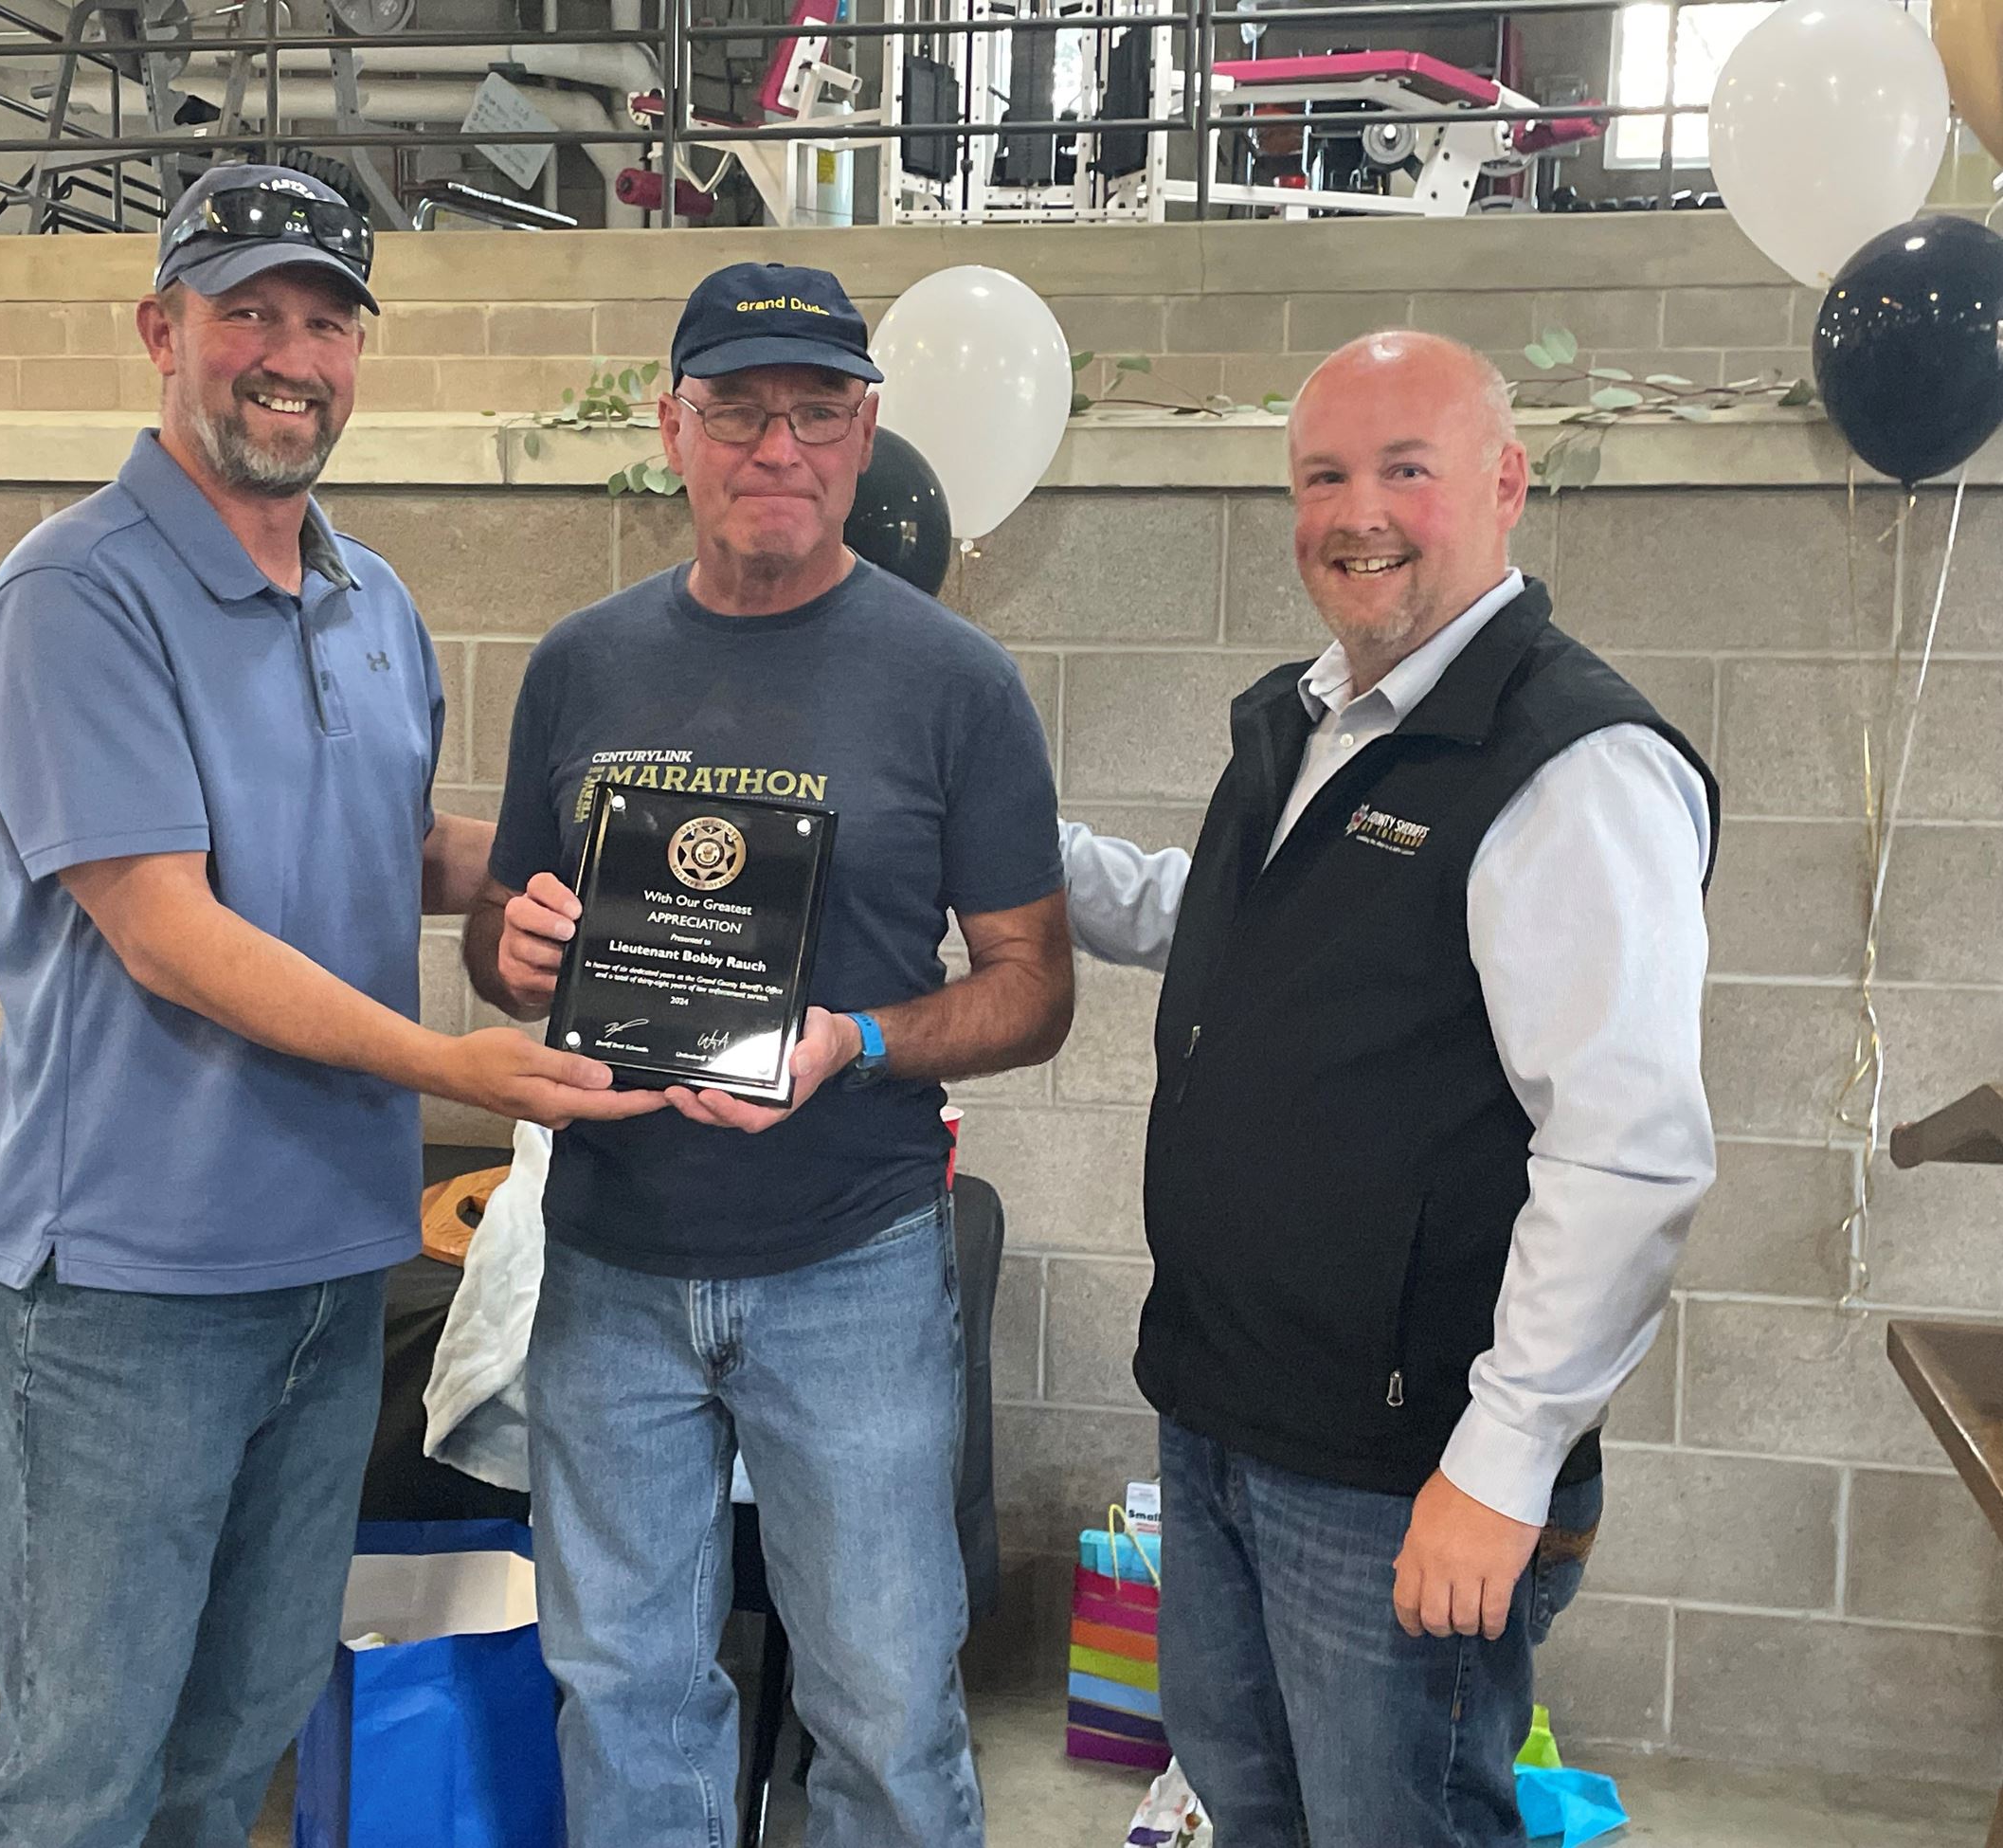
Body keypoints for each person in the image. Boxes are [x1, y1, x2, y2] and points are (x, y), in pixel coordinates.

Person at [0, 162, 659, 1848]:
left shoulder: (372, 598)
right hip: (128, 1285)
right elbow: (170, 929)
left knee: (242, 1732)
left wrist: (615, 876)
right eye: (248, 312)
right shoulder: (76, 595)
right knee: (84, 1766)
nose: (291, 355)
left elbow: (389, 844)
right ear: (161, 331)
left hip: (328, 1266)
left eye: (328, 321)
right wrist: (454, 1063)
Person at [463, 261, 1073, 1846]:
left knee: (883, 1706)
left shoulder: (955, 683)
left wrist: (858, 1039)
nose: (776, 446)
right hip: (609, 1263)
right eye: (737, 408)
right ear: (675, 428)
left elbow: (1033, 989)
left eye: (815, 409)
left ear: (865, 433)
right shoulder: (579, 664)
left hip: (851, 1265)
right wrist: (512, 947)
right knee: (624, 1693)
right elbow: (505, 931)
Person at [1128, 330, 1718, 1848]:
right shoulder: (1319, 716)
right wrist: (1018, 863)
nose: (1359, 513)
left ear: (1507, 483)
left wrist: (1502, 1465)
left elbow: (1630, 1153)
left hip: (1404, 1473)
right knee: (1250, 1804)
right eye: (1324, 476)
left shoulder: (1572, 765)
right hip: (1226, 1414)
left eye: (1407, 469)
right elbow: (1257, 920)